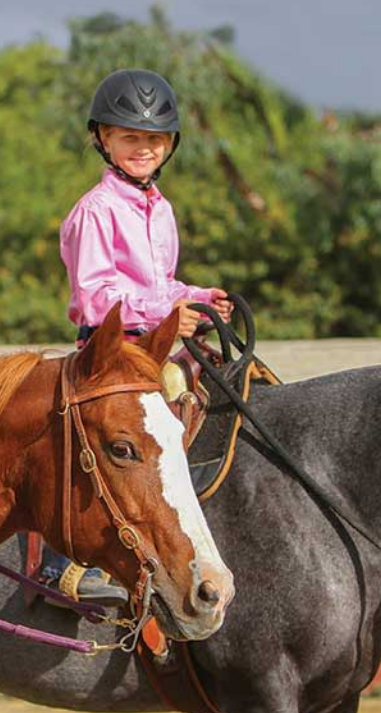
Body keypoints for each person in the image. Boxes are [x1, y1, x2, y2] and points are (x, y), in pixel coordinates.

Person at [42, 68, 234, 607]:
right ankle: (63, 566)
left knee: (211, 387)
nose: (143, 148)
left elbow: (159, 283)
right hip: (107, 352)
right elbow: (95, 297)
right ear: (103, 139)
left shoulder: (161, 209)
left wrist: (197, 298)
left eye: (153, 139)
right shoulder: (94, 212)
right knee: (123, 428)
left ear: (169, 144)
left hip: (149, 346)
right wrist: (166, 309)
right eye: (130, 137)